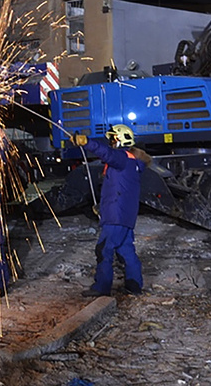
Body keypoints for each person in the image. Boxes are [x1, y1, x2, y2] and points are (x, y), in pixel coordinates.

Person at [72, 124, 149, 297]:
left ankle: (102, 287)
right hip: (124, 216)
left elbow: (105, 152)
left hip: (116, 216)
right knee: (126, 250)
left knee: (104, 249)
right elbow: (117, 189)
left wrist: (86, 142)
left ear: (120, 139)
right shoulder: (132, 162)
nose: (111, 141)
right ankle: (134, 286)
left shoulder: (122, 158)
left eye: (113, 138)